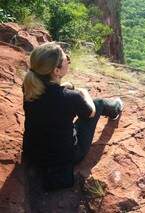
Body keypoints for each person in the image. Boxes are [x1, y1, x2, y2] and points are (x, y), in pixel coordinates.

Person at [22, 42, 123, 190]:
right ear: (56, 70)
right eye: (65, 59)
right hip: (66, 156)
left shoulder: (29, 88)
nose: (68, 60)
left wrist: (65, 88)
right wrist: (83, 92)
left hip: (33, 154)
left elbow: (50, 99)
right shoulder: (71, 97)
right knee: (98, 103)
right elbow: (91, 112)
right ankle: (116, 108)